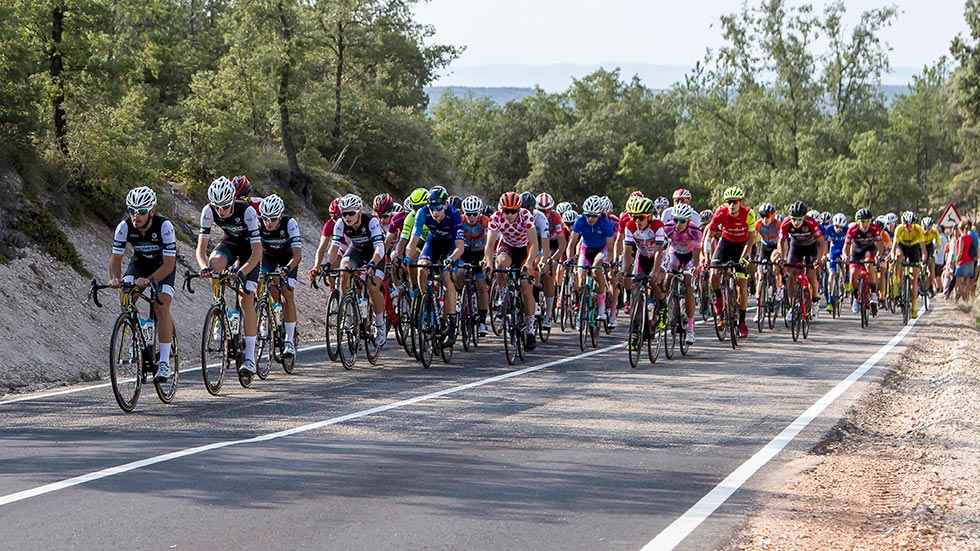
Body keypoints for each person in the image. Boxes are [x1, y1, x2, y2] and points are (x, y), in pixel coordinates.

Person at [109, 186, 177, 382]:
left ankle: (164, 362)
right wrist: (115, 278)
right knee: (127, 297)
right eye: (131, 211)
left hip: (162, 266)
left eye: (142, 212)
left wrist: (149, 280)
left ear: (152, 211)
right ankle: (138, 333)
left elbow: (169, 264)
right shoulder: (123, 227)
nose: (135, 216)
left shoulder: (165, 226)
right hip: (140, 264)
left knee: (161, 304)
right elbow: (115, 259)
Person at [196, 176, 263, 376]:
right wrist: (204, 267)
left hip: (249, 250)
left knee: (246, 299)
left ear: (233, 200)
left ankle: (250, 357)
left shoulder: (248, 211)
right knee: (214, 264)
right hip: (230, 244)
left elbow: (257, 251)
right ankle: (219, 309)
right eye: (217, 207)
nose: (221, 211)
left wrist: (243, 271)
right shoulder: (208, 211)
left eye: (225, 206)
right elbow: (201, 250)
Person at [324, 194, 388, 346]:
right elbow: (334, 247)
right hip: (356, 251)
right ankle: (348, 312)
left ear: (359, 211)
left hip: (375, 254)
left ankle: (380, 325)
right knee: (344, 269)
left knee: (373, 287)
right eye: (344, 213)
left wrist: (373, 263)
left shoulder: (371, 221)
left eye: (351, 213)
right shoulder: (340, 222)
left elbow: (379, 247)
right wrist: (327, 262)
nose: (347, 217)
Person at [408, 189, 466, 343]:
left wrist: (451, 259)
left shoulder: (453, 214)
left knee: (447, 277)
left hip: (450, 246)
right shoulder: (422, 212)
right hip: (432, 243)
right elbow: (413, 241)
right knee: (421, 268)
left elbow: (460, 247)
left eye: (438, 208)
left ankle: (452, 323)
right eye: (432, 208)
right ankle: (426, 301)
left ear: (446, 204)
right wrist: (408, 257)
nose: (435, 213)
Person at [485, 191, 540, 349]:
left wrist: (529, 263)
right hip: (507, 246)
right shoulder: (496, 217)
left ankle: (530, 329)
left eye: (513, 211)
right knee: (500, 265)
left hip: (525, 249)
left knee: (525, 287)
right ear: (501, 210)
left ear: (519, 209)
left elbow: (534, 245)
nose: (509, 214)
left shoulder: (526, 216)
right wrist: (489, 263)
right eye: (506, 211)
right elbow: (489, 246)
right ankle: (504, 298)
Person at [705, 186, 755, 338]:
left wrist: (745, 256)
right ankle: (719, 303)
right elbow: (709, 235)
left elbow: (751, 238)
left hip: (742, 245)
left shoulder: (749, 214)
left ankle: (742, 322)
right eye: (729, 202)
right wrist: (706, 257)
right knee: (714, 273)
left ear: (740, 202)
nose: (732, 205)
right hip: (725, 243)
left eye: (735, 202)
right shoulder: (720, 212)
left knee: (741, 282)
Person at [257, 194, 302, 358]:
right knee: (264, 284)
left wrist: (287, 268)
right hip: (268, 256)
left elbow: (297, 255)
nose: (268, 223)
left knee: (287, 292)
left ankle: (289, 340)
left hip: (287, 257)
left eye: (273, 219)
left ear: (280, 216)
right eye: (265, 219)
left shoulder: (290, 224)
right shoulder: (257, 224)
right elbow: (250, 249)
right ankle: (267, 314)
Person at [566, 195, 617, 324]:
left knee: (596, 270)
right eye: (588, 215)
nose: (590, 219)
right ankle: (581, 310)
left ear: (600, 215)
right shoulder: (580, 221)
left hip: (601, 250)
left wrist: (607, 262)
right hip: (586, 248)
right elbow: (571, 244)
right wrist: (570, 258)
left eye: (594, 216)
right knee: (579, 277)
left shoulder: (606, 224)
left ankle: (601, 308)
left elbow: (610, 248)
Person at [774, 201, 826, 321]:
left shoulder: (811, 222)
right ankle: (792, 307)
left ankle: (814, 301)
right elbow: (782, 242)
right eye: (794, 219)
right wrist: (782, 257)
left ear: (804, 217)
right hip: (796, 246)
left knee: (811, 274)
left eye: (799, 219)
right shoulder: (786, 223)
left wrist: (819, 258)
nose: (796, 223)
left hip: (811, 247)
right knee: (791, 275)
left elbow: (821, 242)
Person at [662, 203, 702, 344]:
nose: (678, 224)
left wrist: (695, 267)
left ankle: (690, 328)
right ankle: (663, 310)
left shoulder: (695, 231)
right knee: (667, 279)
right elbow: (661, 246)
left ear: (688, 221)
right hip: (675, 254)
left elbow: (697, 254)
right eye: (675, 220)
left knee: (688, 284)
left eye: (682, 221)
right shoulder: (667, 228)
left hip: (689, 257)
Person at [458, 195, 491, 336]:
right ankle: (460, 298)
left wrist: (487, 259)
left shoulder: (485, 222)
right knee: (458, 274)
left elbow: (491, 242)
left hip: (479, 254)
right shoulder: (459, 221)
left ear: (480, 213)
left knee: (482, 286)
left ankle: (483, 321)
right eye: (468, 214)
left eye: (474, 214)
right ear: (463, 213)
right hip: (463, 253)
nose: (471, 217)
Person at [843, 208, 883, 312]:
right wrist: (845, 256)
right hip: (856, 252)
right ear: (858, 222)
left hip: (869, 250)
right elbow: (846, 246)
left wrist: (879, 255)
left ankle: (874, 295)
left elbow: (880, 245)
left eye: (868, 221)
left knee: (869, 264)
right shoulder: (852, 229)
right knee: (852, 274)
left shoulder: (874, 228)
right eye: (863, 222)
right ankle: (856, 298)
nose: (865, 224)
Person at [891, 211, 928, 318]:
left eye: (910, 224)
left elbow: (923, 250)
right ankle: (897, 283)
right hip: (902, 247)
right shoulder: (899, 229)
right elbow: (894, 247)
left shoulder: (919, 230)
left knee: (914, 280)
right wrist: (893, 257)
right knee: (898, 257)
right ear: (903, 223)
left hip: (914, 248)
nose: (908, 227)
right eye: (906, 224)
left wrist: (923, 261)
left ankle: (914, 307)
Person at [752, 202, 780, 323]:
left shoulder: (778, 225)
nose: (765, 218)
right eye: (762, 215)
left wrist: (780, 254)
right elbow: (752, 239)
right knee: (760, 275)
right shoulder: (758, 224)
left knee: (775, 268)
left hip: (775, 247)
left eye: (768, 215)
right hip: (764, 248)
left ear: (773, 215)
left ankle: (777, 290)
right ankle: (759, 309)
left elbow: (782, 241)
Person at [955, 220, 975, 301]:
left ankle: (964, 301)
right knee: (967, 283)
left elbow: (960, 252)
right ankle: (967, 301)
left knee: (959, 283)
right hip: (970, 262)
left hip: (963, 262)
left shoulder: (962, 238)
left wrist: (956, 261)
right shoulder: (970, 238)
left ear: (961, 229)